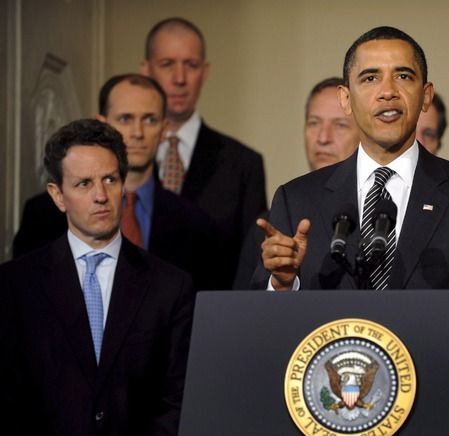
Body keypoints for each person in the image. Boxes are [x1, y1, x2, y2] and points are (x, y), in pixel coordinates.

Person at [251, 26, 449, 293]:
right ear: (345, 99)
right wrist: (283, 285)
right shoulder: (297, 200)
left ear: (426, 96)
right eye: (370, 78)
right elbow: (260, 323)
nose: (387, 92)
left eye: (403, 76)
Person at [0, 118, 194, 436]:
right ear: (57, 195)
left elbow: (178, 399)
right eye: (84, 184)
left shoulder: (170, 286)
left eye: (110, 180)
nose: (101, 195)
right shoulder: (14, 285)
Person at [13, 73, 220, 290]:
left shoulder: (197, 224)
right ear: (102, 124)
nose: (138, 133)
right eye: (125, 119)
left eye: (150, 119)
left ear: (164, 129)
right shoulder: (42, 214)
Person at [140, 17, 267, 287]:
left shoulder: (243, 164)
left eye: (191, 65)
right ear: (146, 70)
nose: (179, 79)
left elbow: (252, 264)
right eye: (167, 65)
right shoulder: (121, 159)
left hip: (210, 318)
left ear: (205, 72)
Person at [233, 77, 360, 288]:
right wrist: (280, 284)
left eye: (340, 125)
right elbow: (243, 310)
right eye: (314, 123)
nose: (323, 137)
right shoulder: (272, 225)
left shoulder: (376, 213)